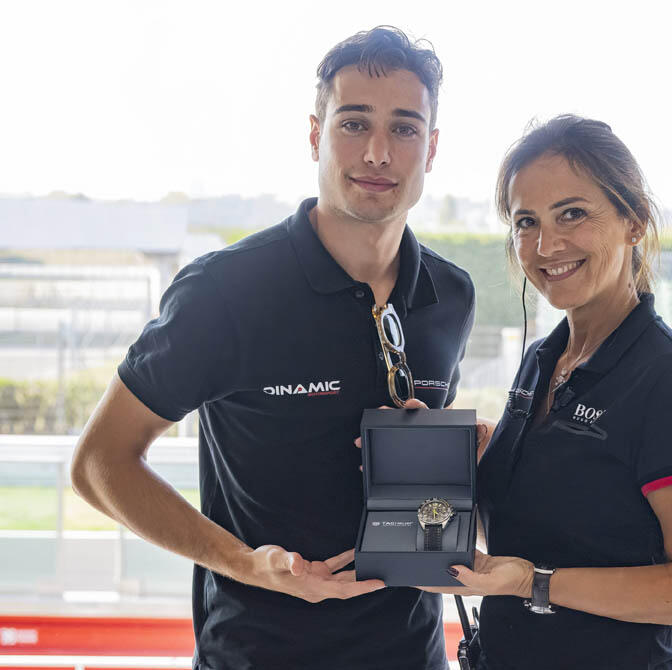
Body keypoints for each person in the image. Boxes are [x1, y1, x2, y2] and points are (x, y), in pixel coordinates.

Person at [70, 26, 474, 669]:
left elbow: (421, 494)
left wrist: (459, 455)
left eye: (404, 128)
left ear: (431, 147)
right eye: (352, 124)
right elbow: (99, 464)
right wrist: (246, 564)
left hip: (412, 654)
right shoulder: (225, 290)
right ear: (315, 135)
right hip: (258, 654)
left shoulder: (449, 294)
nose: (377, 153)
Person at [430, 115, 672, 670]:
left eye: (573, 213)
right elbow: (544, 527)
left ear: (634, 221)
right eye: (527, 221)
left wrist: (535, 582)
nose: (547, 244)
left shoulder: (668, 380)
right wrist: (448, 462)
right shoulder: (542, 362)